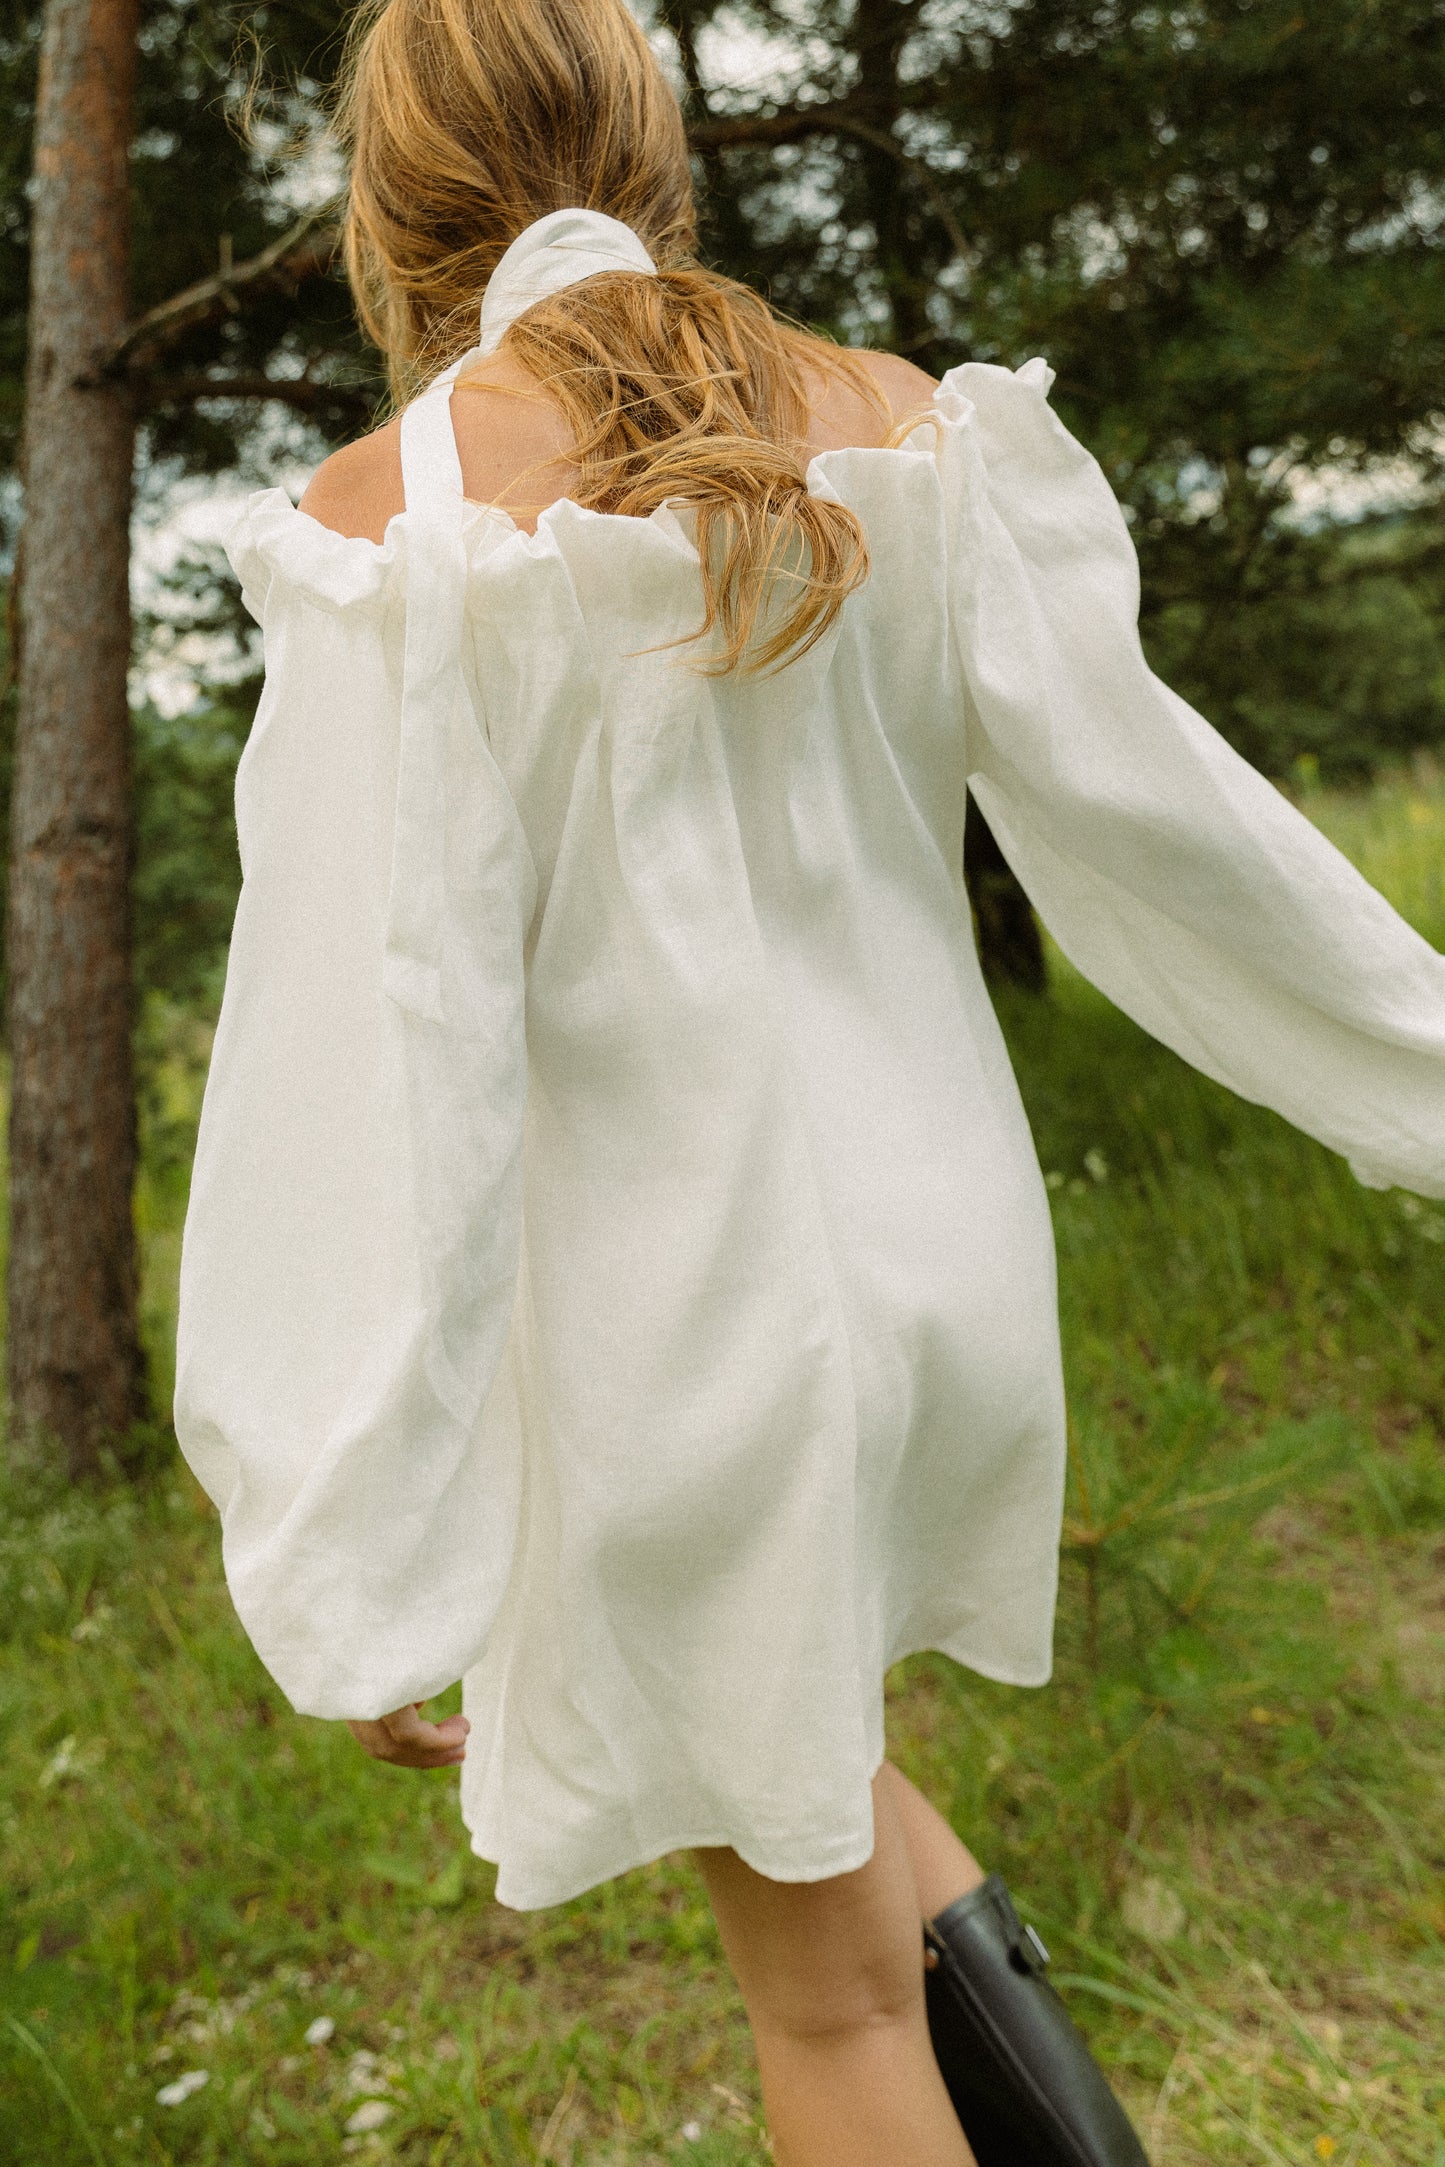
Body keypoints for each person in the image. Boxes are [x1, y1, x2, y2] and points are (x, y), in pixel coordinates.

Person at [173, 2, 1445, 2162]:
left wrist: (348, 1515)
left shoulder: (397, 522)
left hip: (691, 1345)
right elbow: (1173, 835)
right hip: (937, 1289)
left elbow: (375, 1055)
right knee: (816, 1777)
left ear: (388, 204)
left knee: (832, 2009)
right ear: (655, 152)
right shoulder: (902, 423)